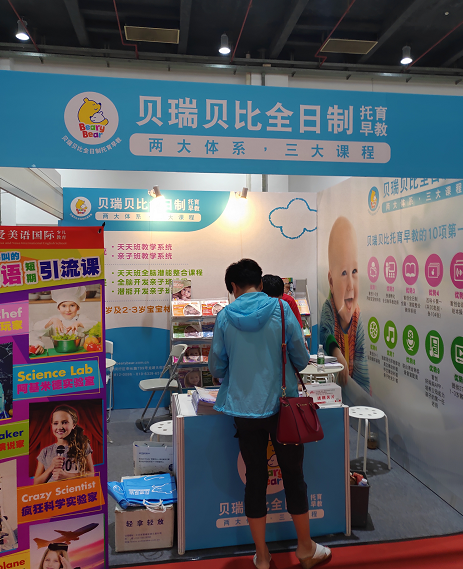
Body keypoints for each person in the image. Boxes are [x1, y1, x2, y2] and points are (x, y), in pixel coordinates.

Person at [208, 259, 331, 569]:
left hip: (244, 411)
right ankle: (305, 549)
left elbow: (216, 367)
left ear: (233, 287)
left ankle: (262, 557)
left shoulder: (224, 316)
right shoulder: (282, 309)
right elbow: (300, 359)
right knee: (293, 475)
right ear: (261, 283)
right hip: (283, 408)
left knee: (255, 479)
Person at [319, 216, 370, 393]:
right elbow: (325, 334)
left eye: (354, 271)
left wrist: (362, 394)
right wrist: (338, 355)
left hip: (352, 390)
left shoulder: (357, 317)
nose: (350, 285)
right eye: (343, 273)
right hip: (332, 388)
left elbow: (361, 361)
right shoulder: (329, 309)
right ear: (331, 282)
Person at [34, 404, 94, 484]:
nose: (59, 427)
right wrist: (51, 467)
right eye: (55, 423)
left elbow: (91, 474)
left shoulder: (83, 446)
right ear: (51, 425)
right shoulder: (45, 452)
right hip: (52, 491)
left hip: (74, 489)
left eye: (64, 422)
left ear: (73, 425)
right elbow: (36, 483)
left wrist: (67, 476)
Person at [31, 286, 97, 339]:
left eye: (72, 305)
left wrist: (79, 323)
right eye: (64, 306)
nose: (68, 310)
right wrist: (52, 321)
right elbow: (36, 328)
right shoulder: (55, 320)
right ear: (58, 308)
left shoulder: (81, 318)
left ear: (78, 307)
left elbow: (96, 325)